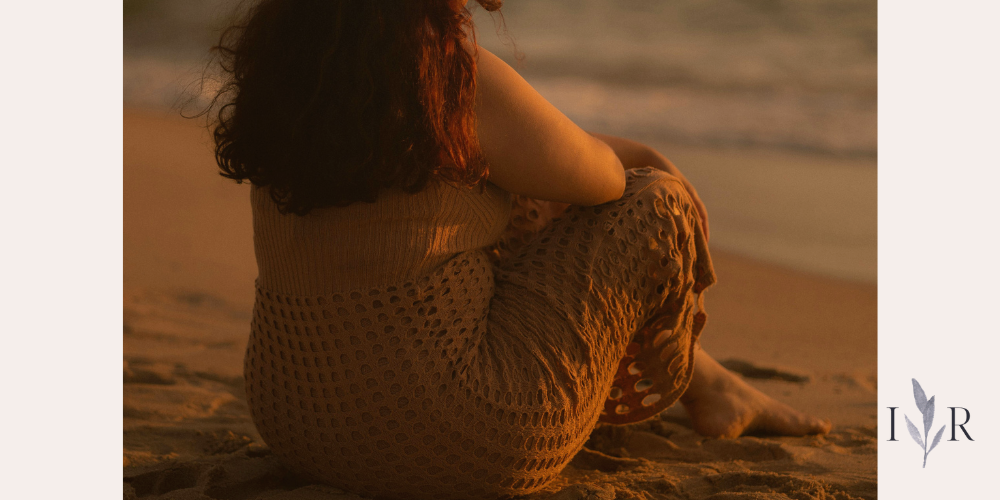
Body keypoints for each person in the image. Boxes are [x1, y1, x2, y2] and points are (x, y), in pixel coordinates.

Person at [207, 1, 830, 499]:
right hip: (461, 436)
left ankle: (709, 381)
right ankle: (706, 381)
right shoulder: (449, 78)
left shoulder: (283, 74)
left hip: (295, 414)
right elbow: (609, 182)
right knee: (652, 199)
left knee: (499, 196)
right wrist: (660, 172)